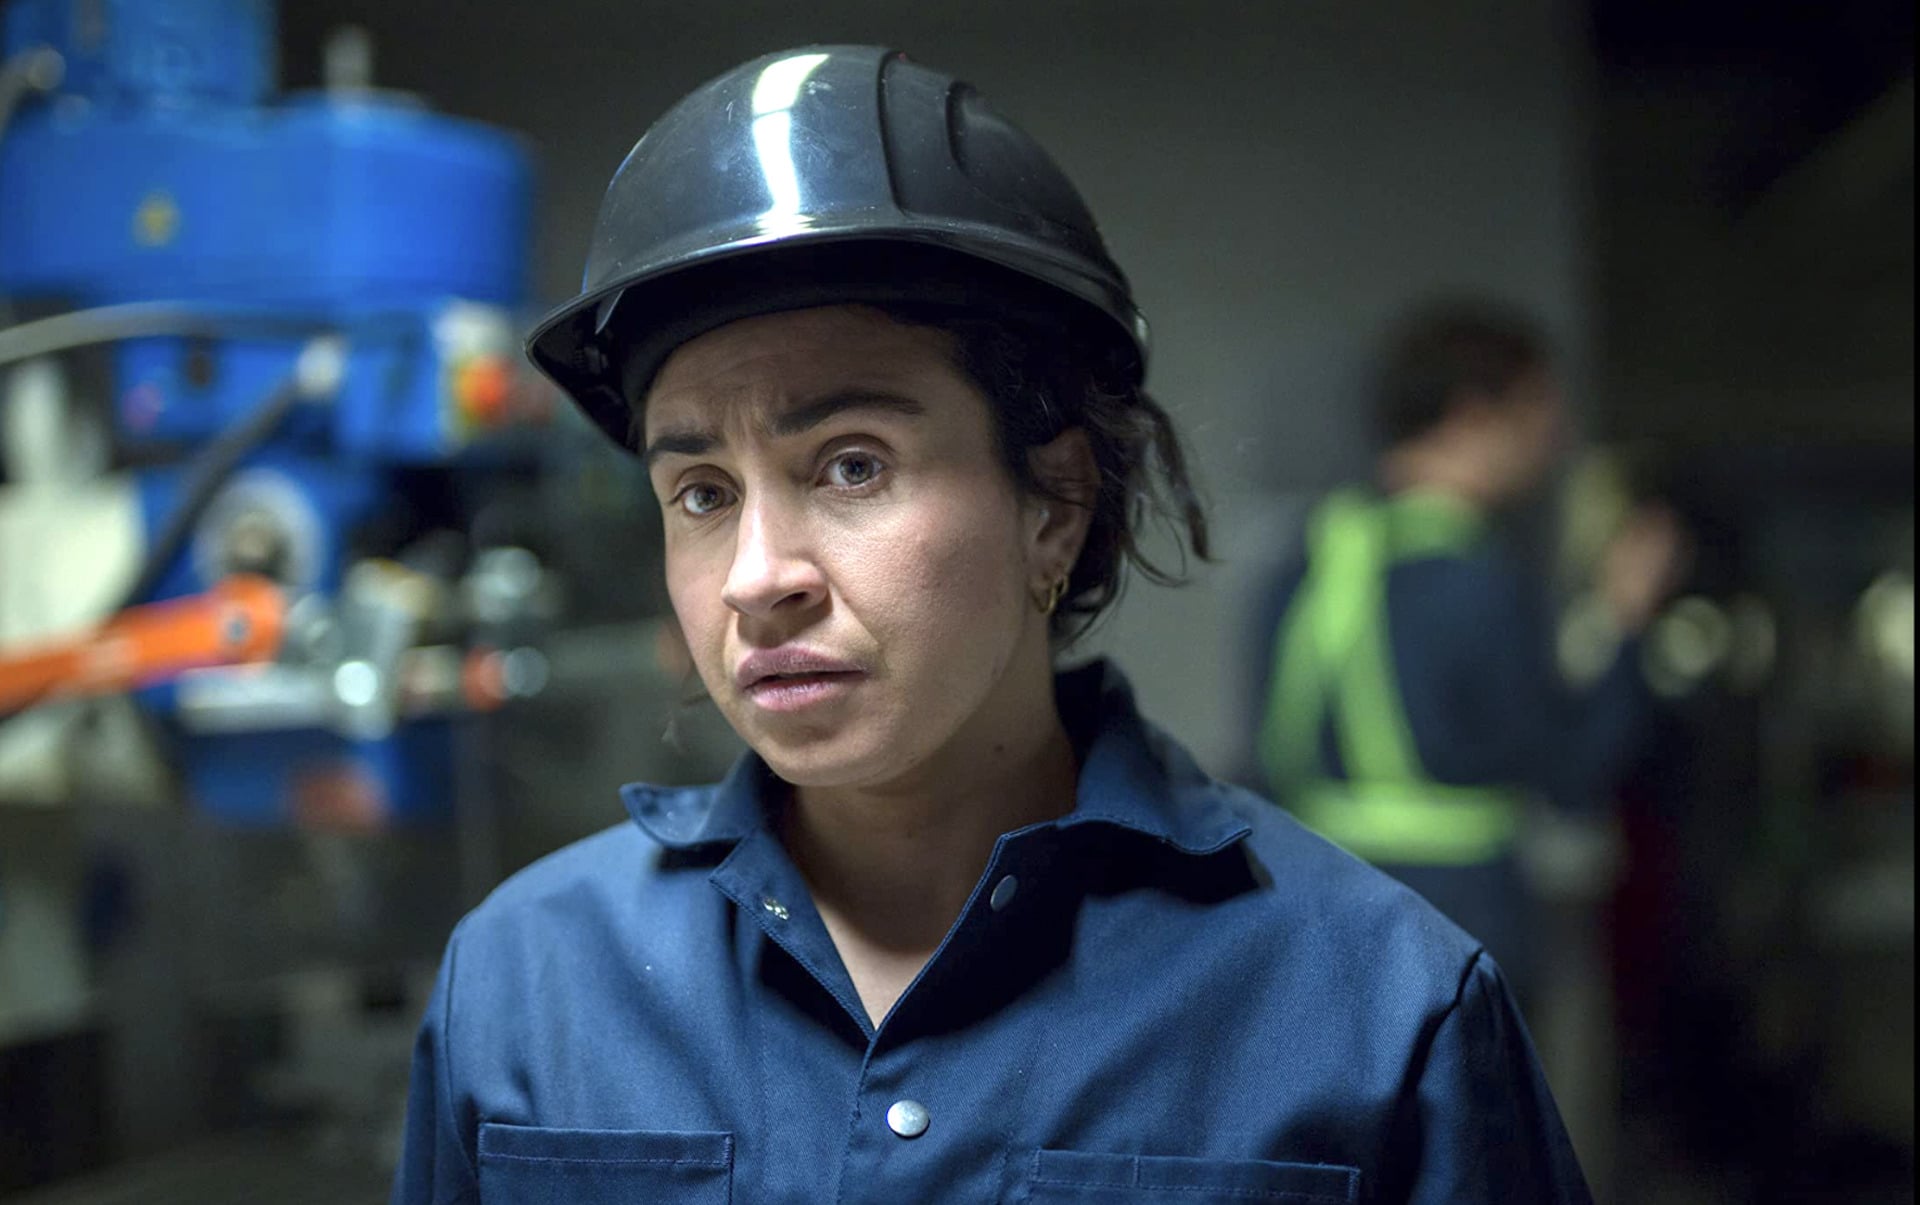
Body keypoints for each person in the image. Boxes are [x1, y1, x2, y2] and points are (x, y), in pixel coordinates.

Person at [393, 47, 1593, 1203]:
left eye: (852, 465)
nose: (756, 577)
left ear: (1054, 504)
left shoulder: (1384, 1013)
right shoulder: (524, 983)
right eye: (702, 493)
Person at [1253, 300, 1682, 999]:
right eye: (1539, 408)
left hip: (1312, 918)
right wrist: (1625, 616)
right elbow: (1575, 771)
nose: (1554, 436)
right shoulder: (1479, 580)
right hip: (1458, 927)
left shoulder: (1304, 562)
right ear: (1475, 414)